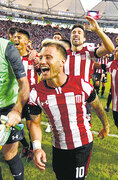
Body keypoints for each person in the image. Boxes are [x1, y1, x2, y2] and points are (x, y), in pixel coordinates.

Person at [28, 40, 109, 180]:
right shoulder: (35, 93)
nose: (42, 61)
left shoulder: (81, 85)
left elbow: (97, 106)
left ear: (62, 62)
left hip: (82, 145)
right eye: (41, 57)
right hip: (58, 147)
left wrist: (106, 125)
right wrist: (37, 147)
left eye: (48, 57)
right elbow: (35, 123)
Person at [64, 16, 114, 122]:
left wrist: (98, 30)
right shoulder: (63, 54)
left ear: (84, 39)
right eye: (74, 32)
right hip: (65, 98)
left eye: (79, 32)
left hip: (84, 98)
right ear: (70, 37)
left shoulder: (88, 52)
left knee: (85, 131)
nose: (76, 34)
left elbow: (110, 48)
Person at [0, 37, 29, 179]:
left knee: (9, 154)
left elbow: (24, 83)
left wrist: (16, 110)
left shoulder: (7, 48)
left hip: (7, 109)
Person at [13, 28, 39, 162]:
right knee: (13, 124)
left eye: (19, 37)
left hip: (31, 98)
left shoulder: (34, 58)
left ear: (27, 41)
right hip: (15, 97)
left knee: (31, 126)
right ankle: (25, 145)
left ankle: (32, 149)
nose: (16, 39)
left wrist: (36, 56)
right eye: (15, 37)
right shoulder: (10, 57)